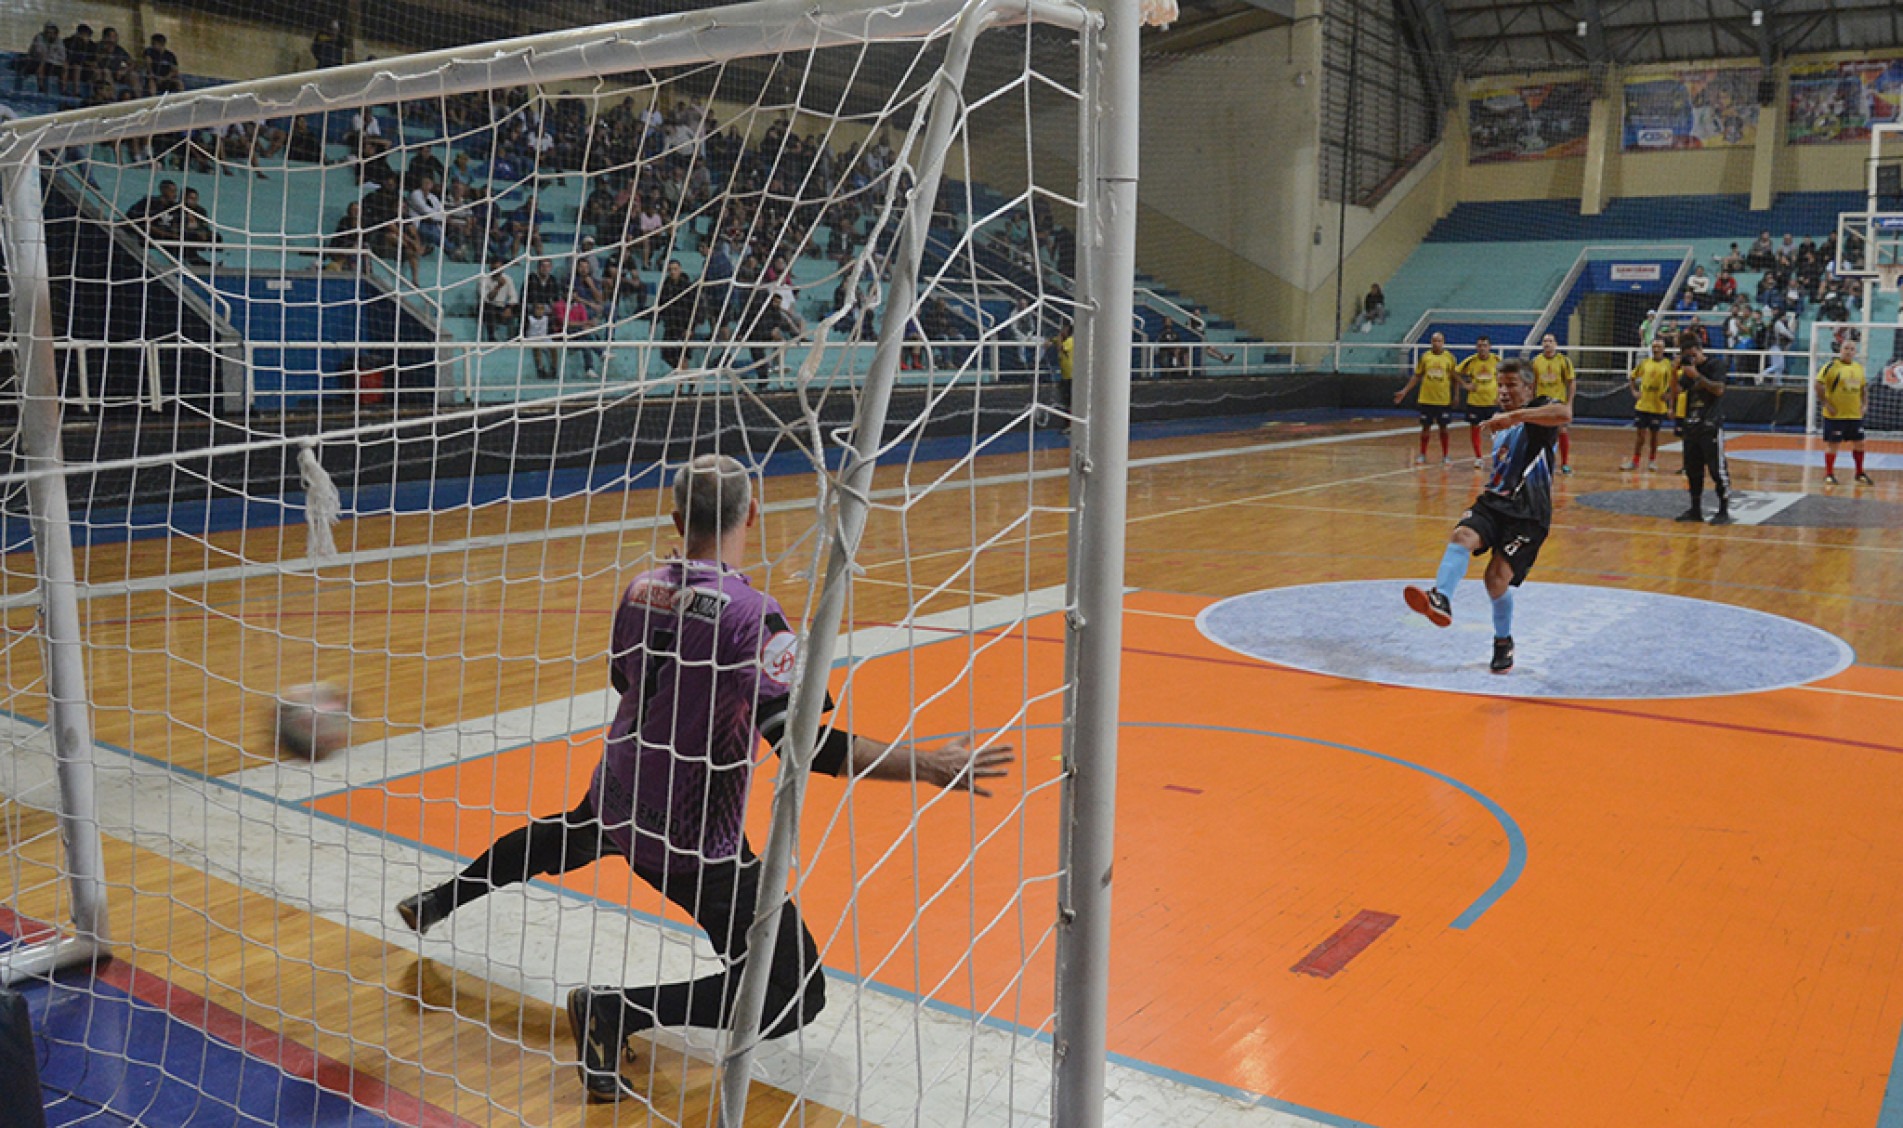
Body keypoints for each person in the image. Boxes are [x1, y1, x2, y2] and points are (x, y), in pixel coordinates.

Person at [392, 455, 1011, 1102]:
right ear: (752, 512)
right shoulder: (755, 616)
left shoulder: (640, 588)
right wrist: (930, 765)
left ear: (676, 516)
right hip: (692, 834)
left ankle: (439, 899)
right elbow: (807, 748)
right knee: (794, 994)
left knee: (561, 838)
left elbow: (624, 681)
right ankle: (616, 1009)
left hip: (622, 787)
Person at [1403, 360, 1570, 674]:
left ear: (1529, 388)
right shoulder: (1499, 423)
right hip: (1494, 502)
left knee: (1494, 581)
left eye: (1511, 385)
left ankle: (1503, 640)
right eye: (1500, 385)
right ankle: (1441, 597)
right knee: (1461, 536)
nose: (1504, 391)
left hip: (1528, 515)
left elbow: (1566, 414)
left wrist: (1514, 416)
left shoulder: (1540, 409)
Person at [1673, 331, 1732, 525]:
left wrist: (1697, 375)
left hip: (1711, 424)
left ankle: (1724, 509)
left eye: (1693, 354)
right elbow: (1673, 394)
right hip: (1691, 424)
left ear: (1700, 350)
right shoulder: (1687, 372)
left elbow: (1719, 389)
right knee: (1692, 469)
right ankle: (1695, 509)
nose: (1692, 359)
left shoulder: (1715, 365)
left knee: (1717, 469)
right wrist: (1675, 372)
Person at [1815, 336, 1874, 486]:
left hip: (1854, 414)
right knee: (1833, 444)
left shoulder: (1858, 368)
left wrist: (1864, 404)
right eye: (1846, 349)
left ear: (1855, 352)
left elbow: (1863, 388)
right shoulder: (1831, 366)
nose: (1848, 352)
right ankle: (1829, 474)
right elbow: (1818, 384)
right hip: (1835, 415)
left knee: (1860, 443)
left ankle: (1859, 473)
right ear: (1840, 351)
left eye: (1852, 349)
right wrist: (1826, 403)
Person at [1394, 331, 1458, 465]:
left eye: (1439, 341)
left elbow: (1455, 378)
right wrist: (1404, 391)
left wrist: (1456, 395)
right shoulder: (1425, 357)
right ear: (1431, 342)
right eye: (1434, 340)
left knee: (1444, 428)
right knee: (1425, 427)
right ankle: (1422, 454)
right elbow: (1417, 376)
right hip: (1426, 399)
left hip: (1443, 399)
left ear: (1443, 342)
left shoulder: (1450, 358)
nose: (1436, 343)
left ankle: (1445, 455)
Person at [1624, 337, 1674, 473]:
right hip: (1643, 405)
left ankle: (1652, 460)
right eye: (1654, 346)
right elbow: (1632, 376)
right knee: (1640, 436)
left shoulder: (1668, 365)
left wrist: (1670, 400)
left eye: (1659, 347)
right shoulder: (1645, 363)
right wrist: (1634, 391)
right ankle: (1635, 461)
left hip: (1658, 406)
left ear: (1663, 349)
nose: (1656, 349)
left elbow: (1674, 384)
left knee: (1654, 436)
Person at [1529, 334, 1576, 474]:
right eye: (1544, 341)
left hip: (1558, 403)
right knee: (1540, 434)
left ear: (1555, 344)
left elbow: (1571, 382)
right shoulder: (1536, 361)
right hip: (1541, 403)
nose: (1547, 344)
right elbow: (1532, 383)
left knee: (1562, 431)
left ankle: (1565, 463)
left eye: (1550, 341)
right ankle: (1539, 462)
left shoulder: (1564, 361)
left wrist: (1569, 403)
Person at [1455, 335, 1499, 467]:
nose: (1482, 348)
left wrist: (1500, 395)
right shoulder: (1470, 361)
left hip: (1492, 402)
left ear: (1489, 347)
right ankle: (1479, 458)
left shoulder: (1497, 360)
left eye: (1485, 345)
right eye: (1479, 346)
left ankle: (1498, 457)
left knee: (1496, 431)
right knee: (1475, 429)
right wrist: (1465, 385)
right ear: (1476, 347)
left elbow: (1505, 377)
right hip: (1475, 402)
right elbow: (1454, 373)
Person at [479, 264, 520, 341]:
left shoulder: (508, 279)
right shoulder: (484, 279)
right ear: (491, 269)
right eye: (495, 268)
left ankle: (515, 336)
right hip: (487, 306)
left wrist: (509, 308)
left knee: (519, 308)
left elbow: (514, 297)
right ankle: (491, 337)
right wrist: (498, 287)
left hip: (502, 306)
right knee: (488, 308)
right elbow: (486, 299)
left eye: (500, 269)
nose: (498, 271)